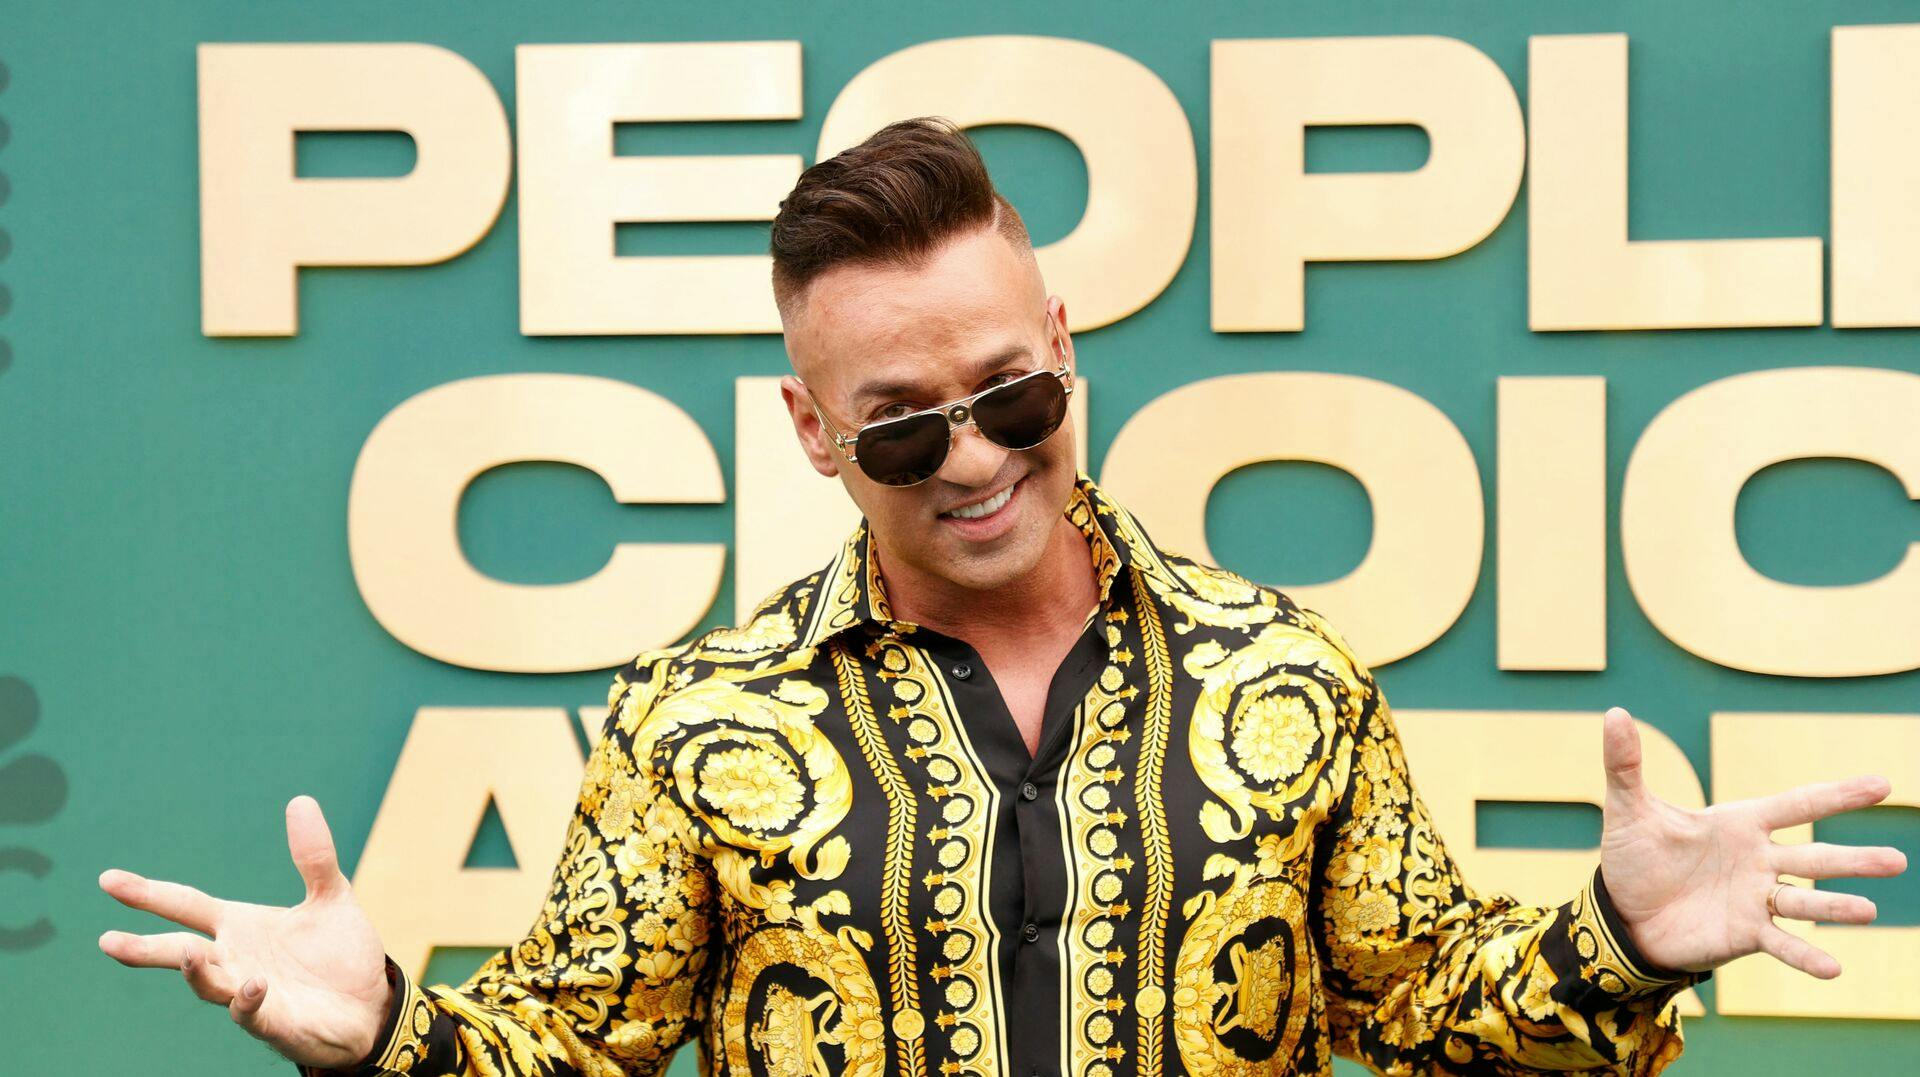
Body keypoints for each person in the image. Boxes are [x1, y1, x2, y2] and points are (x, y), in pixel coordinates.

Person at [100, 117, 1907, 1077]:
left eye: (1009, 396)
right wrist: (386, 1025)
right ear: (814, 433)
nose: (973, 461)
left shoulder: (1286, 672)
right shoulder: (698, 718)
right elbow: (565, 1051)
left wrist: (1626, 936)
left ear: (1064, 348)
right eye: (899, 431)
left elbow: (1437, 1016)